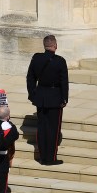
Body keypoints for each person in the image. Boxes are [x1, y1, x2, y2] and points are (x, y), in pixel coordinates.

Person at [26, 34, 69, 166]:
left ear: (45, 46)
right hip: (55, 97)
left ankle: (42, 156)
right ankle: (50, 158)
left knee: (42, 127)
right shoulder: (60, 61)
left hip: (40, 96)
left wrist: (32, 94)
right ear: (55, 46)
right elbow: (64, 82)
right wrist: (64, 98)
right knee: (53, 129)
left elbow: (30, 78)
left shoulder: (36, 58)